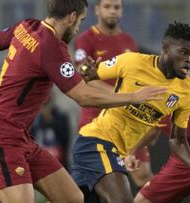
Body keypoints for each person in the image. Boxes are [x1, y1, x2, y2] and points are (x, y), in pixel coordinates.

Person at [0, 0, 166, 202]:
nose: (79, 26)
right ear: (72, 17)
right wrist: (132, 97)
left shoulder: (27, 27)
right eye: (81, 21)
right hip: (1, 137)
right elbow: (82, 96)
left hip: (22, 138)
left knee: (73, 198)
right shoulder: (51, 47)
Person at [72, 21, 190, 203]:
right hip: (96, 141)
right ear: (165, 49)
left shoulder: (185, 92)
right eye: (183, 53)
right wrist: (86, 68)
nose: (189, 59)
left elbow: (177, 140)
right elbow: (88, 74)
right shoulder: (132, 62)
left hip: (117, 152)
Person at [74, 0, 152, 187]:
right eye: (107, 7)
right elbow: (84, 74)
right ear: (97, 10)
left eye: (116, 7)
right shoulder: (86, 39)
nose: (112, 11)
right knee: (103, 181)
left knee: (143, 175)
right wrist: (118, 96)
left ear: (122, 11)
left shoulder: (129, 41)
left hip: (128, 118)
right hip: (97, 118)